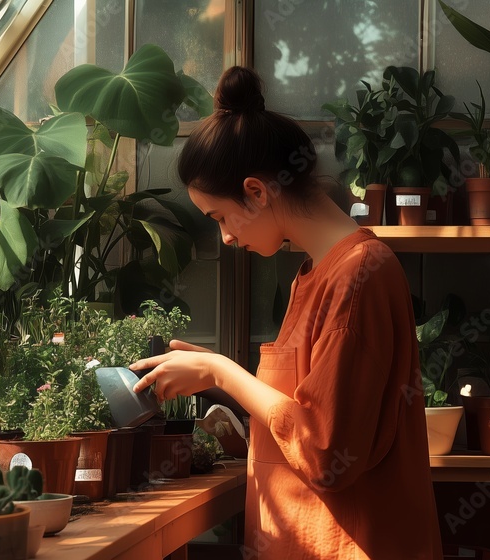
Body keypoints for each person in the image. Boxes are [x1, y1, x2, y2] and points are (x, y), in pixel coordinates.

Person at [130, 66, 442, 559]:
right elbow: (295, 410)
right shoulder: (314, 274)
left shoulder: (360, 276)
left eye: (219, 218)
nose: (226, 238)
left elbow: (326, 456)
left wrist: (221, 370)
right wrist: (213, 376)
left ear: (256, 192)